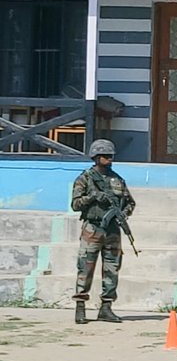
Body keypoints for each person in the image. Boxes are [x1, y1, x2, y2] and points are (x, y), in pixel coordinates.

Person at [70, 139, 136, 324]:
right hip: (93, 228)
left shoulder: (117, 180)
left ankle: (106, 307)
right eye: (105, 156)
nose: (109, 159)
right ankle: (80, 308)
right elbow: (75, 204)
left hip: (113, 230)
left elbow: (130, 202)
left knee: (112, 269)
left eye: (111, 156)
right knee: (86, 268)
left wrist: (122, 214)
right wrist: (93, 197)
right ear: (96, 157)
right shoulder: (86, 178)